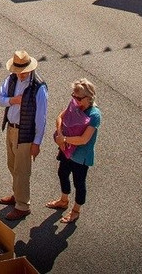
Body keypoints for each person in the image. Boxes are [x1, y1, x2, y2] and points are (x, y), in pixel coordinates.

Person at [0, 50, 49, 220]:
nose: (20, 75)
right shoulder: (11, 79)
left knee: (22, 170)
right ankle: (17, 194)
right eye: (17, 71)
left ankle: (22, 205)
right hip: (11, 129)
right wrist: (13, 100)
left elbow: (41, 117)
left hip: (25, 133)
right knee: (12, 165)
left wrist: (37, 142)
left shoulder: (39, 87)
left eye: (22, 72)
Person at [46, 79, 101, 224]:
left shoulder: (94, 115)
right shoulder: (75, 105)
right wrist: (59, 135)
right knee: (62, 173)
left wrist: (63, 140)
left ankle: (76, 210)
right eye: (74, 96)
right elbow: (59, 117)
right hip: (67, 149)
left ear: (89, 98)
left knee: (79, 183)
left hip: (81, 156)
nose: (75, 100)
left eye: (78, 98)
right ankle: (64, 200)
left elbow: (84, 139)